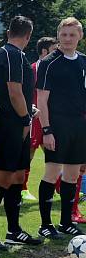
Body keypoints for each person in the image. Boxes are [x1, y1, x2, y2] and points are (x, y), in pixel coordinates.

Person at [0, 16, 42, 248]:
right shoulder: (9, 54)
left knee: (17, 176)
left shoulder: (19, 55)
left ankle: (14, 231)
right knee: (4, 177)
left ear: (8, 32)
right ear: (28, 35)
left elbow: (20, 94)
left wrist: (28, 111)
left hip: (18, 122)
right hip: (8, 124)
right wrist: (26, 118)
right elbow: (14, 92)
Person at [35, 17, 86, 238]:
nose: (67, 39)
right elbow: (42, 101)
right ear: (58, 36)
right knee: (52, 172)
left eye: (72, 35)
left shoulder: (84, 61)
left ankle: (66, 222)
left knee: (72, 176)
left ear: (80, 37)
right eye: (64, 35)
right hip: (56, 124)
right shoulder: (49, 63)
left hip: (78, 125)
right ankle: (46, 224)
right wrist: (47, 130)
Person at [21, 38, 55, 200]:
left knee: (54, 152)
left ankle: (58, 188)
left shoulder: (55, 68)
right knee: (30, 152)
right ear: (44, 52)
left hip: (50, 118)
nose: (57, 52)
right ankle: (22, 188)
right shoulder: (32, 69)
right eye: (54, 49)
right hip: (34, 118)